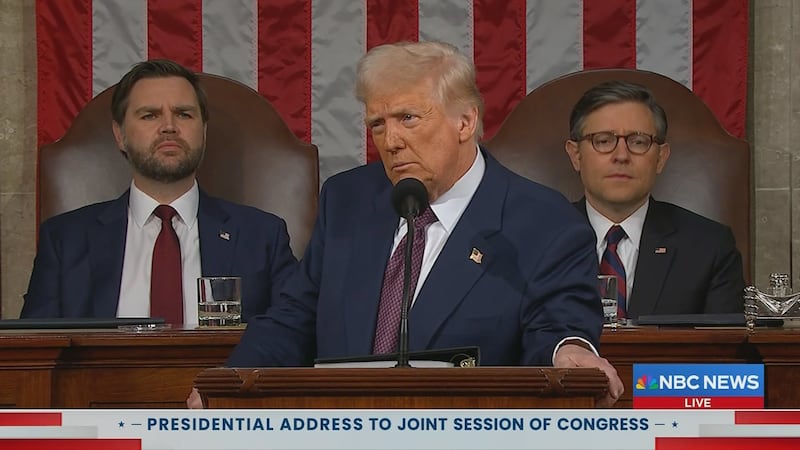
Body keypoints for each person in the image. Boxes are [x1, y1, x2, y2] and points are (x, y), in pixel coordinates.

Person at [212, 41, 622, 407]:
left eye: (408, 118)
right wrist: (228, 384)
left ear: (464, 122)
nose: (390, 141)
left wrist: (569, 352)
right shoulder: (348, 199)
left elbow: (558, 325)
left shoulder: (543, 221)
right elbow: (295, 315)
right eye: (378, 123)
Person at [22, 59, 297, 326]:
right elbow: (35, 356)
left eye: (184, 114)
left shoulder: (262, 237)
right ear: (120, 135)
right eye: (150, 115)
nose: (169, 126)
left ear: (203, 131)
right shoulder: (65, 241)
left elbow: (294, 338)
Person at [564, 80, 745, 320]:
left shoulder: (709, 247)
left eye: (638, 142)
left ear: (660, 157)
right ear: (576, 155)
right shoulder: (536, 241)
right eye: (604, 140)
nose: (621, 156)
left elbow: (726, 354)